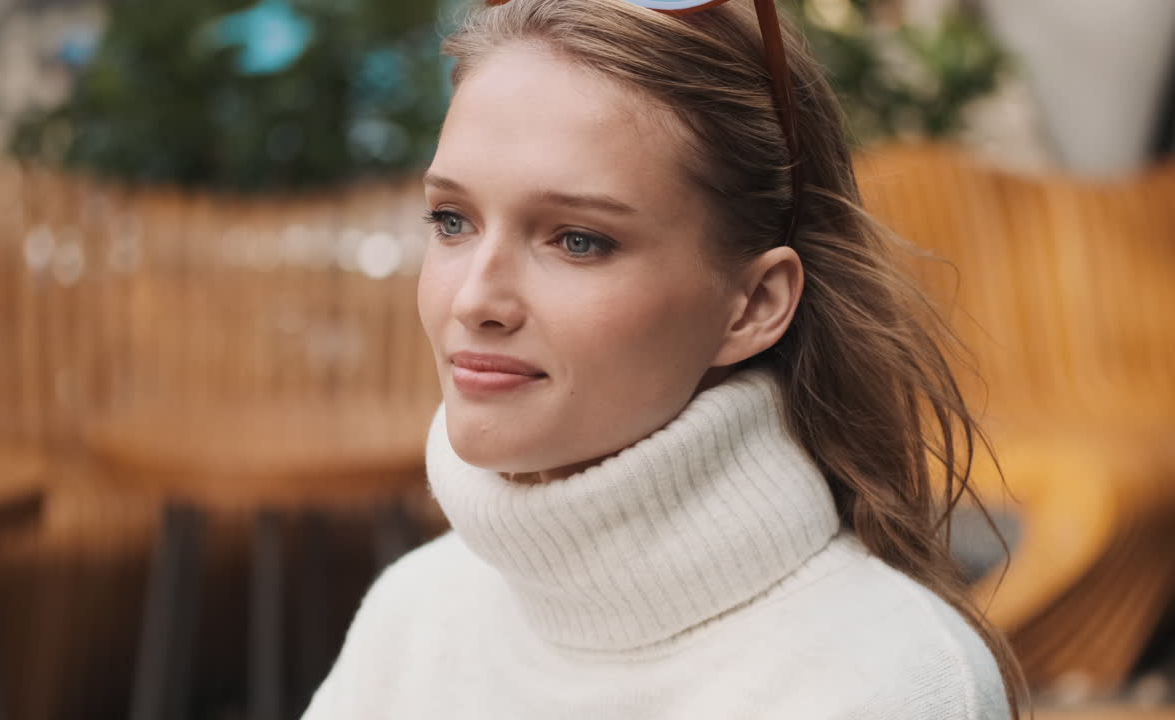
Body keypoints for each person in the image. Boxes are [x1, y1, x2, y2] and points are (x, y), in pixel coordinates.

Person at [303, 0, 1029, 717]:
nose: (474, 299)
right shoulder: (413, 617)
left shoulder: (892, 681)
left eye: (578, 239)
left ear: (753, 304)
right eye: (451, 221)